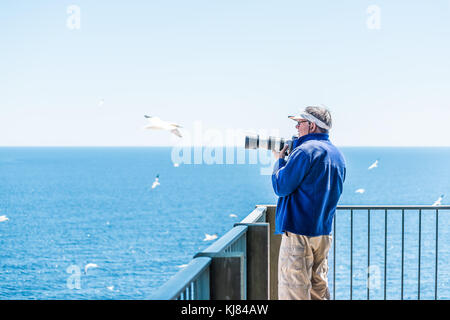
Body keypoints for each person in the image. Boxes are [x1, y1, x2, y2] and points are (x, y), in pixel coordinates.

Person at [272, 105, 346, 300]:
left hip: (298, 232)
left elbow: (281, 186)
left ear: (311, 125)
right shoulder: (337, 155)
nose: (297, 128)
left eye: (299, 123)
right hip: (323, 232)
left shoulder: (305, 151)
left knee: (293, 290)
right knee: (318, 290)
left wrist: (279, 162)